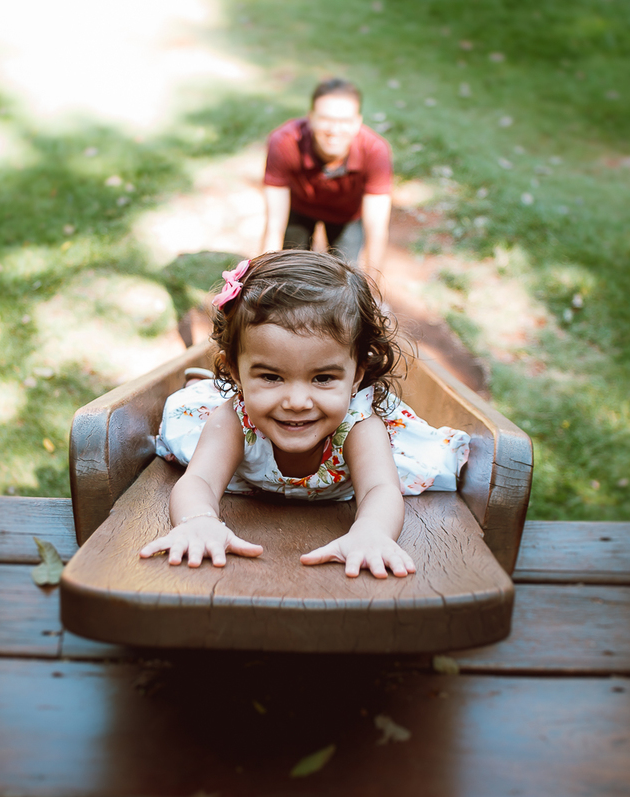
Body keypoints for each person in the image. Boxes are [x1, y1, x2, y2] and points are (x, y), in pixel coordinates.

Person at [141, 250, 470, 578]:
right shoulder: (232, 421)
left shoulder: (359, 427)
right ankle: (207, 383)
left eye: (323, 378)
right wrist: (198, 521)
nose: (297, 401)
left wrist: (371, 533)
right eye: (271, 376)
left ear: (356, 375)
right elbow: (198, 480)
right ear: (237, 374)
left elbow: (379, 489)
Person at [261, 79, 392, 284]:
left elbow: (376, 228)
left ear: (358, 122)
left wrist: (373, 293)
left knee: (344, 282)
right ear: (311, 117)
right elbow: (274, 225)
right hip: (299, 209)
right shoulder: (283, 142)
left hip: (346, 216)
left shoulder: (376, 151)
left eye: (345, 121)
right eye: (326, 119)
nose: (334, 130)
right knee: (290, 276)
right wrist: (264, 285)